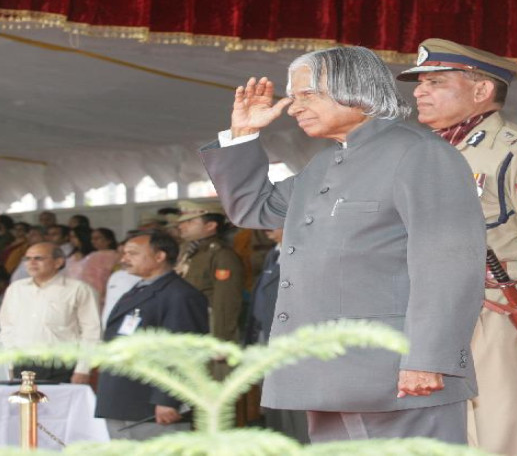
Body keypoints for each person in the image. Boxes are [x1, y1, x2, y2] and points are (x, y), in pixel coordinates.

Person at [202, 46, 486, 444]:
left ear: (355, 90)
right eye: (294, 97)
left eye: (307, 94)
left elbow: (450, 264)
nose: (294, 108)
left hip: (396, 376)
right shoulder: (323, 165)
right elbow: (253, 208)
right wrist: (243, 135)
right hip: (330, 373)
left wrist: (429, 358)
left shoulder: (419, 153)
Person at [398, 38, 517, 455]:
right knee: (446, 438)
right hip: (431, 312)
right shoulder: (426, 154)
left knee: (505, 434)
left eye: (435, 82)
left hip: (500, 310)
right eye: (420, 83)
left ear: (481, 90)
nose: (420, 92)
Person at [96, 231, 209, 441]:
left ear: (160, 256)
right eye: (124, 253)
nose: (124, 259)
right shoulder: (139, 288)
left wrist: (169, 399)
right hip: (123, 396)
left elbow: (183, 351)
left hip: (150, 403)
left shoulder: (180, 295)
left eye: (133, 253)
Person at [0, 242, 101, 384]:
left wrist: (83, 369)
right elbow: (7, 329)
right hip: (20, 364)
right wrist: (5, 365)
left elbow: (92, 332)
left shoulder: (78, 289)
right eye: (27, 259)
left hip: (60, 366)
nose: (31, 263)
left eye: (38, 258)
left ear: (58, 262)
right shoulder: (16, 289)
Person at [244, 227, 309, 443]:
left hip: (290, 341)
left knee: (295, 406)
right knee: (273, 403)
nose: (266, 227)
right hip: (266, 336)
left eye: (275, 221)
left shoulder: (304, 251)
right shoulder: (273, 254)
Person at [173, 200, 245, 348]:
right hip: (185, 323)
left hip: (205, 327)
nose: (181, 226)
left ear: (210, 226)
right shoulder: (186, 251)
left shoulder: (221, 255)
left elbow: (225, 303)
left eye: (190, 222)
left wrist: (222, 340)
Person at [79, 228, 122, 307]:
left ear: (109, 240)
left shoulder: (115, 255)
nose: (93, 241)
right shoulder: (92, 255)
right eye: (92, 239)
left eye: (97, 238)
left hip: (103, 292)